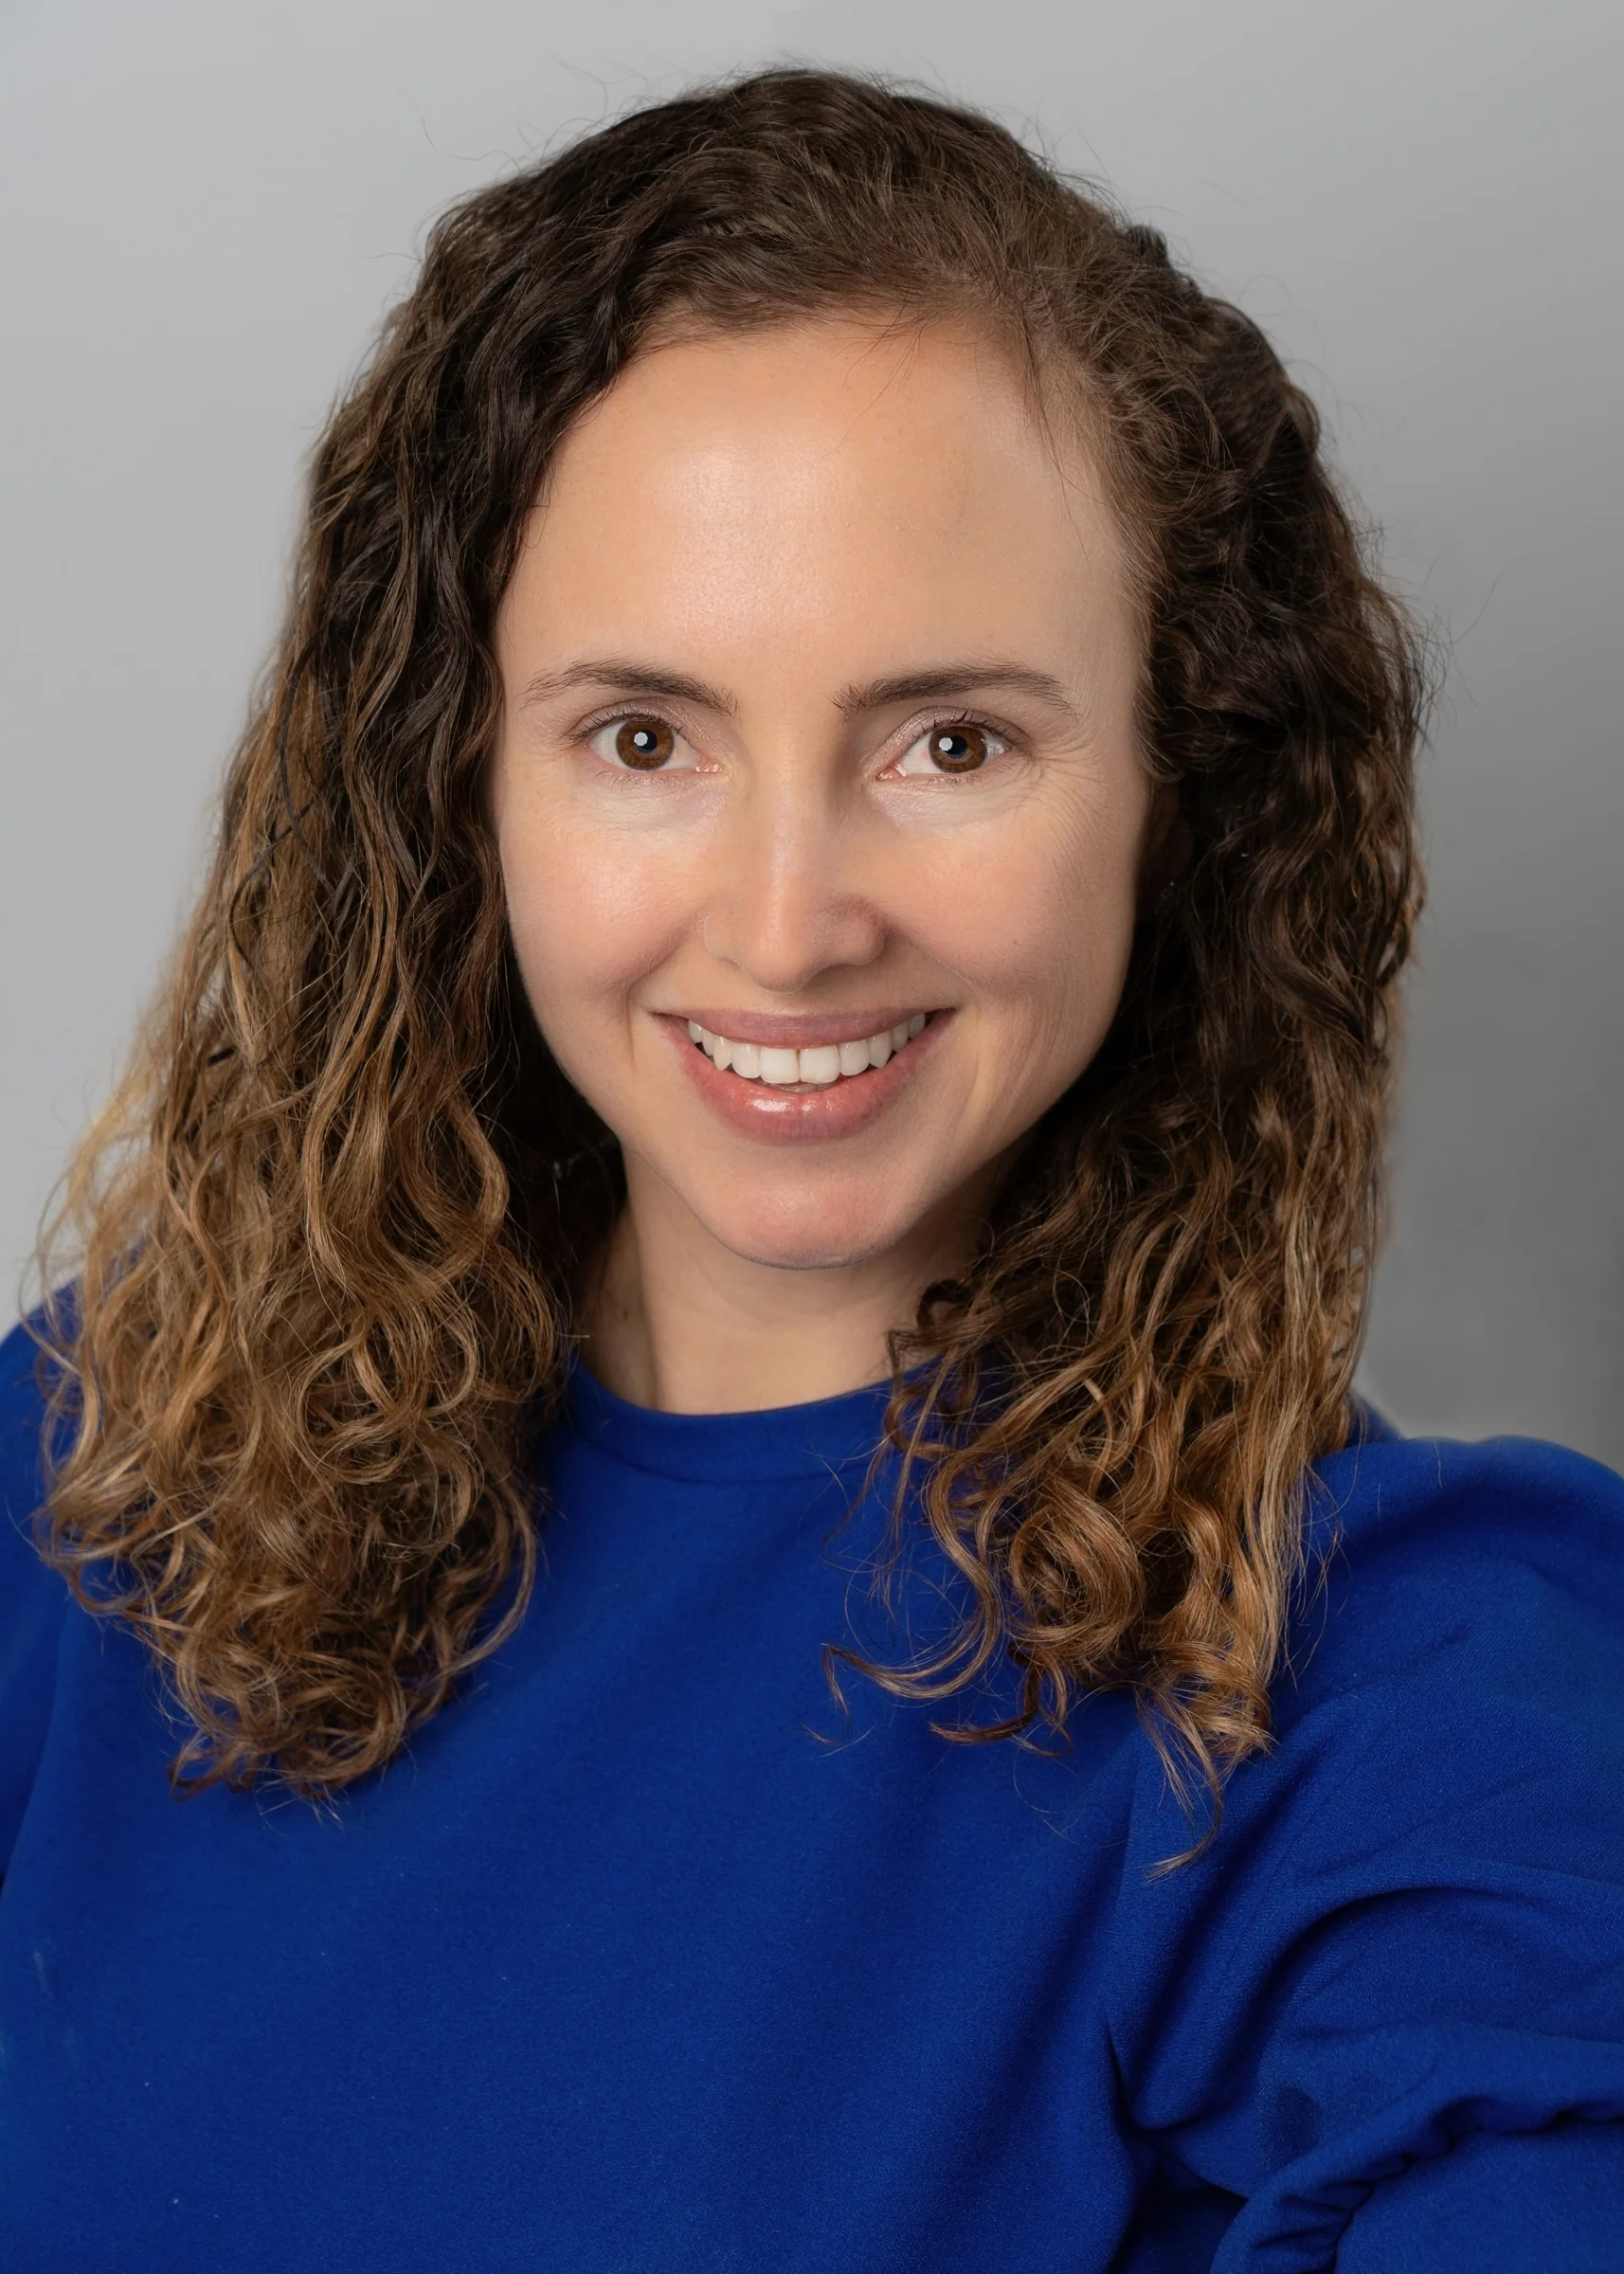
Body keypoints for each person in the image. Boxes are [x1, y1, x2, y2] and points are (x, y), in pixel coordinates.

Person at [2, 66, 1620, 2272]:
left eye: (948, 742)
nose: (785, 921)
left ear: (1182, 786)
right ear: (456, 788)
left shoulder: (1388, 1688)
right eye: (644, 737)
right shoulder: (102, 1489)